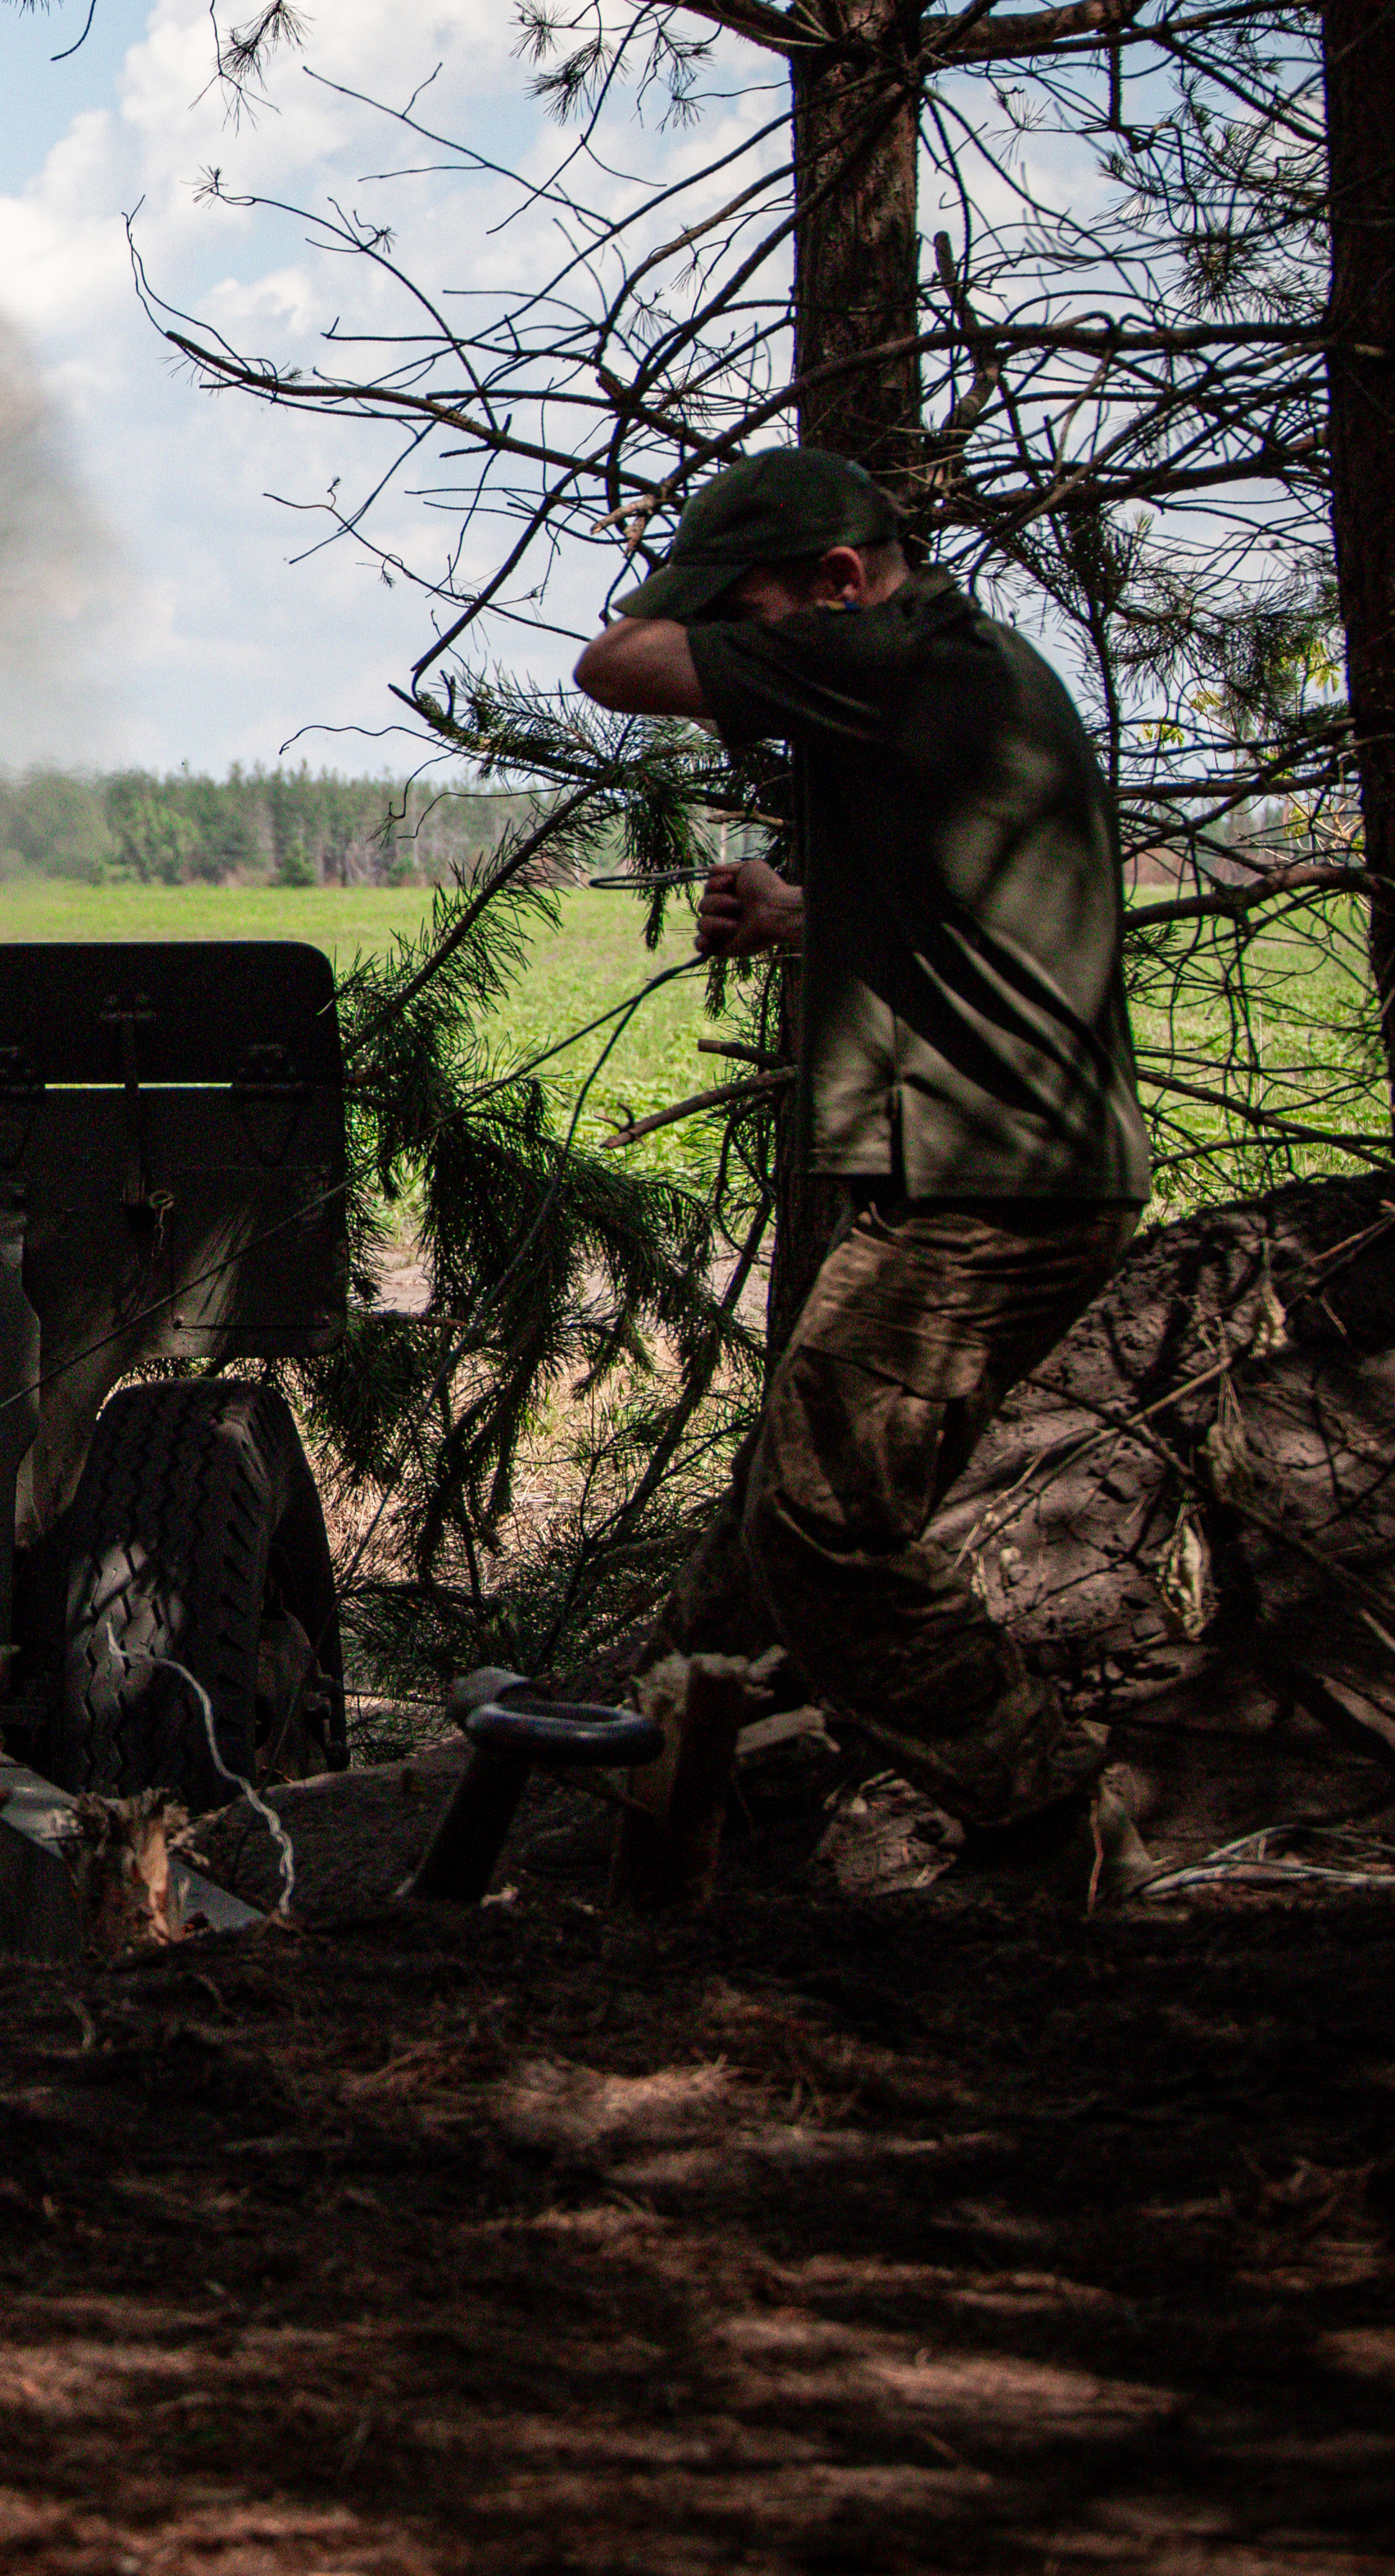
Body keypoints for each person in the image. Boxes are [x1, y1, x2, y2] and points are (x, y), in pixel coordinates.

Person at [573, 444, 1156, 1904]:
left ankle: (1051, 1828)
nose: (741, 643)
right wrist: (794, 913)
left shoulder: (901, 652)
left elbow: (616, 665)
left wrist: (703, 631)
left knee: (824, 1531)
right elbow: (962, 912)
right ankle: (657, 1843)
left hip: (993, 1182)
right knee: (762, 1545)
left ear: (840, 583)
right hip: (980, 1170)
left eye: (752, 610)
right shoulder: (945, 676)